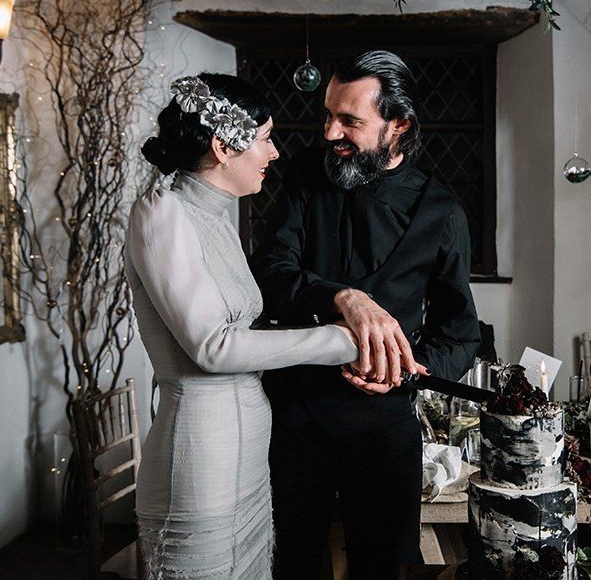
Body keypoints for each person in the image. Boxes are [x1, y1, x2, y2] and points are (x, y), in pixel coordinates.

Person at [125, 73, 424, 580]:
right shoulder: (163, 213)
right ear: (223, 146)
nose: (275, 153)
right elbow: (213, 347)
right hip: (203, 456)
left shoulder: (217, 216)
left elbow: (249, 325)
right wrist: (342, 341)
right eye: (265, 139)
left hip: (249, 458)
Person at [251, 51, 481, 580]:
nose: (331, 131)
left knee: (383, 571)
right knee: (291, 567)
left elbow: (460, 333)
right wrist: (343, 296)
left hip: (384, 431)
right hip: (294, 420)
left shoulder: (443, 211)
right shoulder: (306, 175)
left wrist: (405, 369)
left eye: (350, 121)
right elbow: (269, 272)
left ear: (398, 124)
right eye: (328, 114)